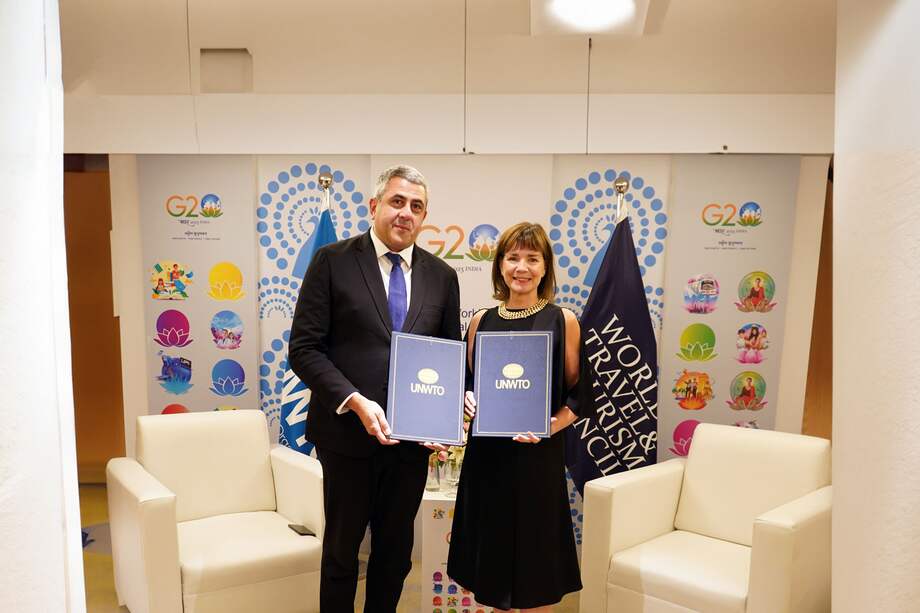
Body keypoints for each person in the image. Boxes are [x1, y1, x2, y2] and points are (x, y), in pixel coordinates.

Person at [288, 165, 461, 612]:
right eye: (397, 201)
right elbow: (304, 349)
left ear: (425, 218)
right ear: (375, 206)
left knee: (394, 556)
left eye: (417, 207)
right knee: (342, 554)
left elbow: (446, 357)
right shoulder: (332, 261)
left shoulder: (442, 277)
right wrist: (355, 401)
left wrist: (446, 412)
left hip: (409, 446)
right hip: (347, 440)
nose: (406, 213)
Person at [447, 222, 583, 612]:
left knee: (534, 570)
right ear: (500, 265)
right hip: (488, 461)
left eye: (532, 258)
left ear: (545, 267)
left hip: (535, 462)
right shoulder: (480, 322)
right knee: (491, 571)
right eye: (512, 257)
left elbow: (578, 394)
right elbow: (469, 383)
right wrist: (467, 401)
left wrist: (547, 429)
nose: (521, 267)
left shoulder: (564, 320)